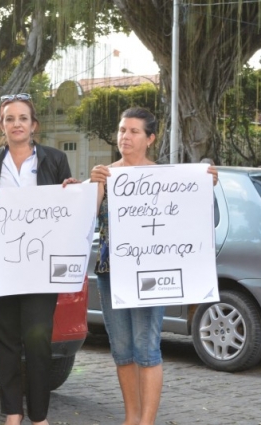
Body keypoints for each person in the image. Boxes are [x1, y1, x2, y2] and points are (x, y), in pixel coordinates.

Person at [89, 107, 218, 425]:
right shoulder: (105, 175)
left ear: (150, 138)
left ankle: (146, 421)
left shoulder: (167, 179)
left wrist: (206, 186)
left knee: (146, 347)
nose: (125, 136)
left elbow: (197, 219)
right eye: (122, 130)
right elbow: (83, 222)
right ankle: (131, 417)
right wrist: (96, 188)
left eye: (133, 131)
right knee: (121, 349)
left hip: (152, 274)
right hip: (110, 273)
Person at [0, 93, 76, 425]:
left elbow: (67, 209)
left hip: (40, 268)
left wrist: (73, 193)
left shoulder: (55, 159)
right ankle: (12, 413)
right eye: (9, 119)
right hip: (1, 266)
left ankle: (39, 416)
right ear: (0, 125)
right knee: (4, 340)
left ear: (34, 125)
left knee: (38, 341)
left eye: (22, 118)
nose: (16, 124)